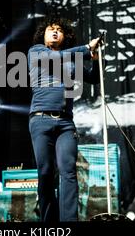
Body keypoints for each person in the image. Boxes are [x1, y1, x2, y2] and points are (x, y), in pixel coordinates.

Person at [28, 15, 101, 222]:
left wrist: (94, 60)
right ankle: (49, 224)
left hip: (65, 123)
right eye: (50, 29)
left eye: (59, 30)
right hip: (40, 120)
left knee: (68, 170)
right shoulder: (36, 52)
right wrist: (86, 48)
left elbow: (94, 78)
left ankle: (69, 222)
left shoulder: (72, 59)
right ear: (42, 34)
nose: (54, 32)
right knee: (45, 172)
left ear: (65, 36)